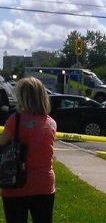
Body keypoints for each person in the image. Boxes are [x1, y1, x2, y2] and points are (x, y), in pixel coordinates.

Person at [0, 77, 57, 223]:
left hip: (17, 182)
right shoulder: (51, 123)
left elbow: (2, 142)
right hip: (44, 183)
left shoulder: (15, 120)